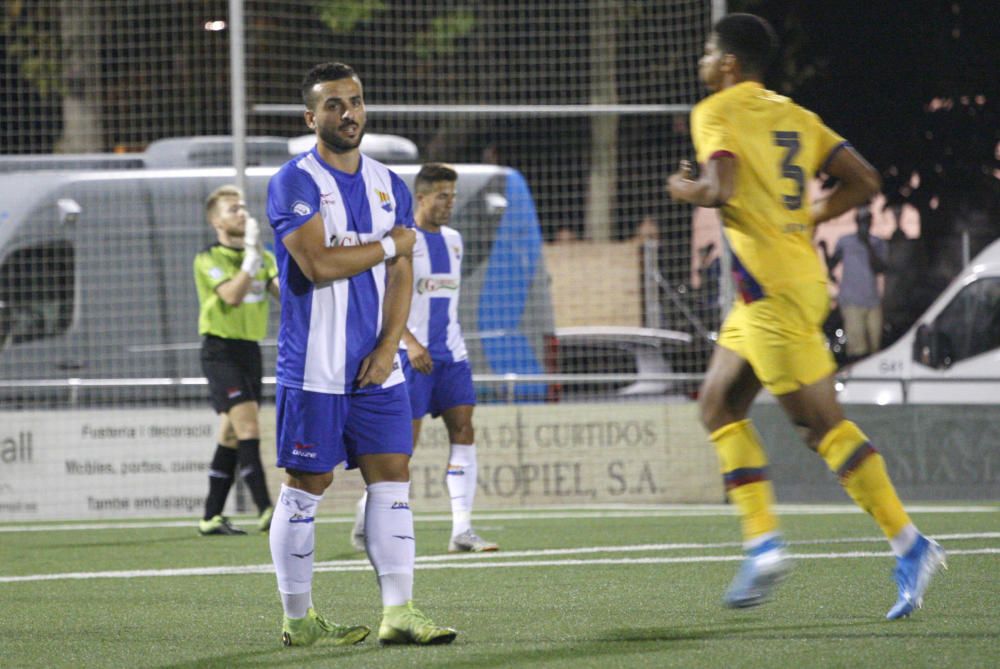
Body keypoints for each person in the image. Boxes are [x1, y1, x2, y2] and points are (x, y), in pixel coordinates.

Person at [666, 13, 945, 620]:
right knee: (718, 404)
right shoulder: (793, 114)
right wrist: (807, 220)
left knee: (822, 428)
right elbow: (864, 180)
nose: (703, 62)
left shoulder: (714, 109)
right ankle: (762, 542)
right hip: (775, 286)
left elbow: (719, 188)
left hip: (771, 289)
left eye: (709, 52)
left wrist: (683, 189)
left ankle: (909, 542)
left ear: (730, 65)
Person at [265, 62, 456, 648]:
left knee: (393, 476)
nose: (348, 113)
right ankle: (298, 616)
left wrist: (386, 345)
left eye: (356, 102)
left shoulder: (387, 182)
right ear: (310, 117)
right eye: (333, 105)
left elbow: (404, 271)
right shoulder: (293, 182)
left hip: (377, 366)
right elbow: (317, 263)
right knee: (308, 483)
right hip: (315, 365)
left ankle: (399, 612)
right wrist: (388, 243)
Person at [349, 163, 499, 554]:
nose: (449, 204)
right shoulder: (403, 241)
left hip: (452, 355)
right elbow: (388, 297)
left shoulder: (454, 240)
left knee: (464, 430)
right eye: (441, 196)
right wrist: (410, 342)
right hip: (409, 357)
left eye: (453, 196)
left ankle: (462, 530)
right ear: (421, 198)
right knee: (402, 448)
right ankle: (368, 511)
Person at [193, 185, 278, 536]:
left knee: (230, 435)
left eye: (243, 208)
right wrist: (250, 260)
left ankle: (211, 516)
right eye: (232, 209)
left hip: (249, 351)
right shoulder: (208, 259)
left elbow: (286, 296)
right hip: (221, 351)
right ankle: (267, 510)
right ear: (216, 221)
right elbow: (232, 295)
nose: (241, 213)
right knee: (248, 428)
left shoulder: (264, 257)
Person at [820, 205, 888, 359]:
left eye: (867, 221)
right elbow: (832, 264)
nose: (864, 224)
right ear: (856, 222)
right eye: (862, 221)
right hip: (851, 301)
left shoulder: (878, 243)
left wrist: (867, 245)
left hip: (872, 301)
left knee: (875, 345)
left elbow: (880, 268)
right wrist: (824, 251)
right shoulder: (845, 241)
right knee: (857, 346)